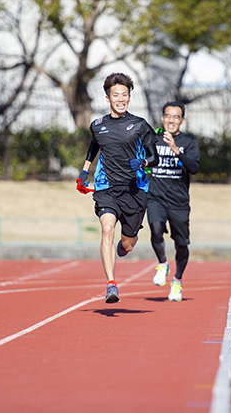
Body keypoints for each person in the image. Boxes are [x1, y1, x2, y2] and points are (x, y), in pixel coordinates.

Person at [76, 72, 158, 304]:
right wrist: (84, 171)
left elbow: (154, 157)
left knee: (127, 243)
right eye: (116, 95)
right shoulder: (98, 125)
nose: (120, 99)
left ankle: (124, 247)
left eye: (124, 95)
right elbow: (94, 145)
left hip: (135, 190)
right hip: (107, 188)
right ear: (107, 98)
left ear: (129, 98)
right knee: (107, 230)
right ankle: (111, 284)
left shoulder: (140, 125)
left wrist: (143, 162)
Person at [147, 101, 200, 301]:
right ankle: (162, 263)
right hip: (156, 198)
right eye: (168, 116)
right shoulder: (152, 140)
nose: (171, 120)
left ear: (182, 120)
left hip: (179, 202)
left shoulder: (189, 143)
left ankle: (177, 281)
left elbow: (194, 168)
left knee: (181, 245)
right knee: (155, 229)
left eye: (176, 117)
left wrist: (176, 150)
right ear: (162, 118)